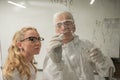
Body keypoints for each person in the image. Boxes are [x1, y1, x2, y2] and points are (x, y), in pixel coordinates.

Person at [43, 11, 115, 80]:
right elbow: (49, 77)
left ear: (74, 27)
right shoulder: (52, 50)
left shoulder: (87, 45)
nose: (63, 27)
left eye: (67, 23)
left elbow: (108, 73)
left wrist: (101, 60)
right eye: (59, 25)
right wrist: (56, 63)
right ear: (56, 30)